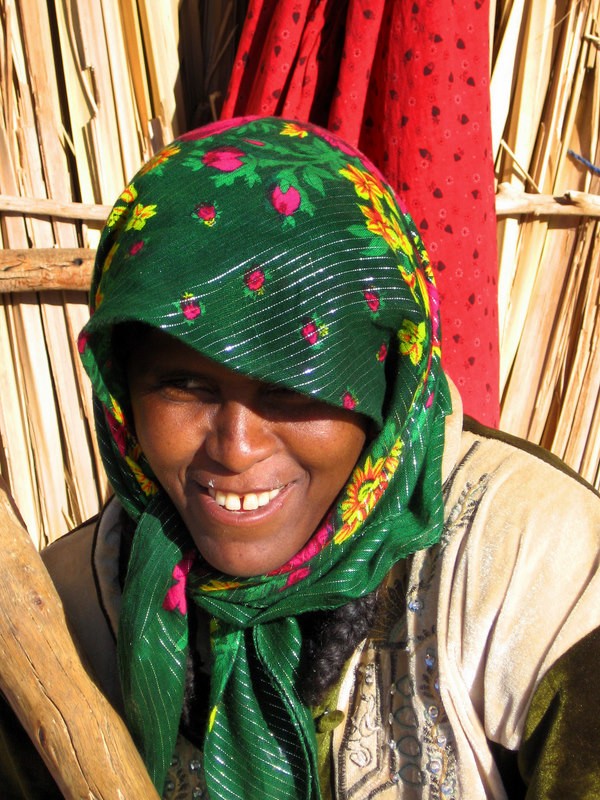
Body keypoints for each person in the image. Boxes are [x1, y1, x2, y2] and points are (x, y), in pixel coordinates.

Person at [1, 116, 599, 800]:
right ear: (122, 386)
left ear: (386, 383)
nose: (237, 447)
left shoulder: (534, 565)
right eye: (184, 385)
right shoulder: (69, 609)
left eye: (295, 388)